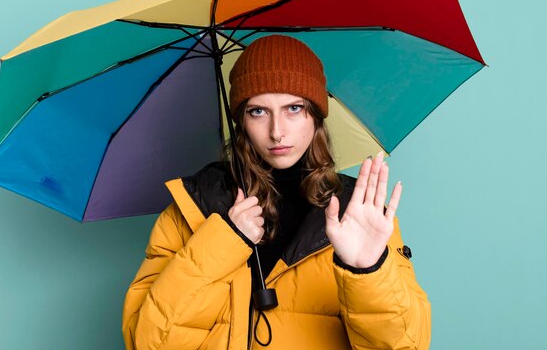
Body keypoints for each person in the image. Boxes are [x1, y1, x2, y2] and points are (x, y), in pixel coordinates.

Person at [122, 35, 431, 349]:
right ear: (241, 120)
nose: (277, 131)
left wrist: (367, 269)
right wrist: (223, 241)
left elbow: (408, 345)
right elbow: (147, 343)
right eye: (258, 111)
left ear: (316, 114)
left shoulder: (359, 211)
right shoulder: (190, 208)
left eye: (293, 108)